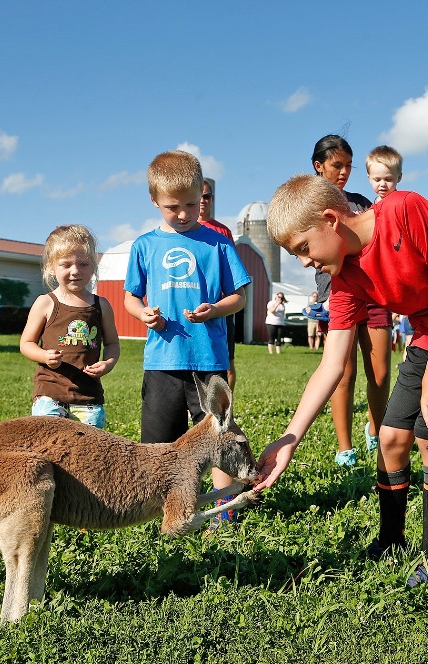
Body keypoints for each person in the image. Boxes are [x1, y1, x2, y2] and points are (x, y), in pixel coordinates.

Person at [255, 175, 428, 587]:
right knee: (391, 438)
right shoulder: (344, 282)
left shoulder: (403, 209)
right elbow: (330, 366)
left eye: (303, 248)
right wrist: (289, 440)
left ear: (331, 219)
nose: (304, 261)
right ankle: (391, 540)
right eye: (295, 254)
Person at [124, 150, 252, 530]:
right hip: (162, 360)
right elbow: (132, 296)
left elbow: (239, 297)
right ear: (154, 201)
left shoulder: (218, 244)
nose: (183, 213)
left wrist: (214, 309)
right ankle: (154, 510)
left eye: (192, 205)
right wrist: (141, 313)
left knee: (218, 435)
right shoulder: (144, 246)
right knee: (158, 443)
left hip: (207, 359)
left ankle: (224, 510)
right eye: (172, 207)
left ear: (203, 196)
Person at [310, 134, 392, 467]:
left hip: (374, 295)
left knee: (382, 374)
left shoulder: (363, 203)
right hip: (337, 297)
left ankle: (375, 430)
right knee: (343, 375)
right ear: (319, 166)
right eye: (336, 165)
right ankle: (345, 447)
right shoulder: (310, 206)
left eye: (348, 166)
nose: (344, 172)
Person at [20, 225, 121, 428]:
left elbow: (112, 343)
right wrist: (44, 356)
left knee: (90, 448)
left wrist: (107, 363)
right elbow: (26, 343)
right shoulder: (46, 303)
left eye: (83, 264)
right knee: (50, 442)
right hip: (50, 392)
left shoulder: (101, 305)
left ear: (93, 266)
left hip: (88, 395)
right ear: (51, 267)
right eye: (66, 265)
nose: (75, 271)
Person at [198, 177, 240, 391]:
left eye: (207, 196)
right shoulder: (181, 230)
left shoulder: (223, 232)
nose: (203, 200)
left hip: (220, 308)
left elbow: (232, 271)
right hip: (193, 305)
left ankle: (225, 408)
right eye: (200, 195)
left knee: (227, 363)